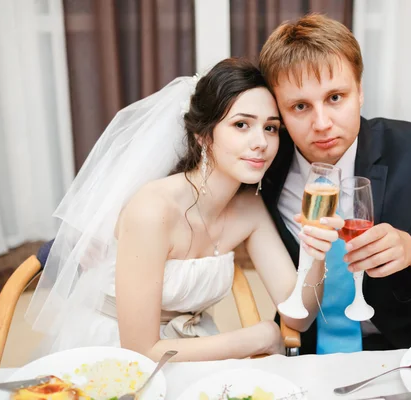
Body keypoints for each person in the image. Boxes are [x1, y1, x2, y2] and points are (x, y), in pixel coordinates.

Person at [25, 58, 344, 362]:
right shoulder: (153, 210)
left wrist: (314, 255)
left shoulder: (250, 209)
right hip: (111, 350)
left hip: (190, 349)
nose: (260, 142)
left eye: (271, 128)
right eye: (242, 124)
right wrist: (257, 336)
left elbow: (297, 317)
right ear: (204, 136)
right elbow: (139, 351)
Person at [258, 14, 411, 354]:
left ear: (360, 92)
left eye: (335, 98)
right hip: (313, 343)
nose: (322, 123)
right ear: (279, 112)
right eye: (300, 106)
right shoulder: (264, 171)